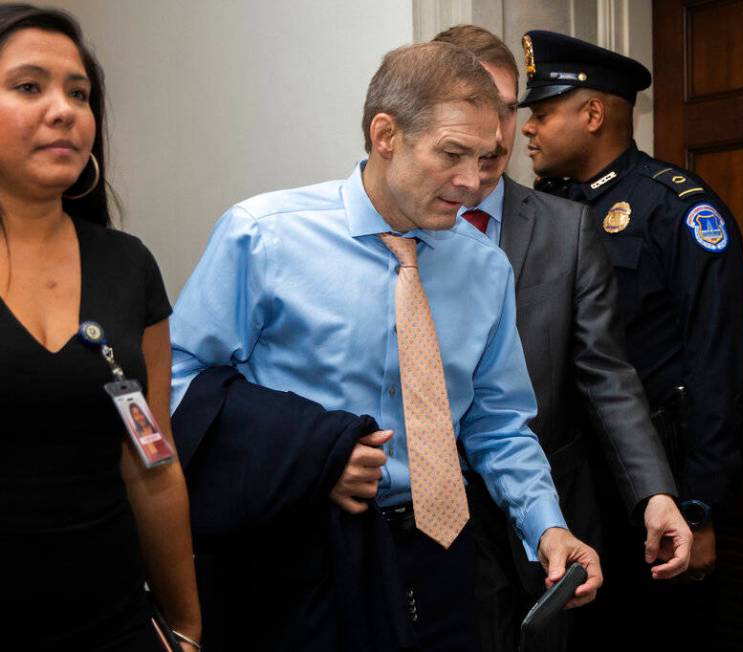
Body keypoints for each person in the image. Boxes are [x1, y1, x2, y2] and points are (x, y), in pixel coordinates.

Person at [169, 41, 601, 651]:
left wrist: (548, 527)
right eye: (452, 154)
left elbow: (497, 423)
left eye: (484, 158)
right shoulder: (263, 238)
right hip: (299, 554)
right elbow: (177, 381)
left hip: (441, 559)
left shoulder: (485, 269)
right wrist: (315, 453)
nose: (472, 181)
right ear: (385, 134)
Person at [432, 25, 692, 652]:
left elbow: (607, 376)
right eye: (473, 110)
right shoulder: (390, 233)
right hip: (424, 516)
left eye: (505, 109)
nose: (496, 135)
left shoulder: (566, 228)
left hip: (544, 510)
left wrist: (654, 494)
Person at [519, 30, 743, 648]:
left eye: (542, 113)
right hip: (570, 478)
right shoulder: (545, 209)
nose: (527, 130)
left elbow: (716, 370)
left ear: (592, 114)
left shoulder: (677, 211)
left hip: (659, 483)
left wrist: (700, 510)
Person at [0, 5, 201, 650]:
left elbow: (153, 462)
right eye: (29, 86)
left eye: (78, 93)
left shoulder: (127, 264)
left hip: (113, 623)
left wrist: (188, 627)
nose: (64, 109)